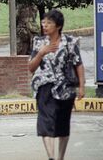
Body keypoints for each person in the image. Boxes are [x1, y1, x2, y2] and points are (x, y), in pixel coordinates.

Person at [28, 9, 85, 160]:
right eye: (43, 22)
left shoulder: (70, 43)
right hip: (44, 87)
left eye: (49, 23)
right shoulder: (39, 42)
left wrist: (82, 86)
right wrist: (41, 53)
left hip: (65, 88)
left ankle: (60, 157)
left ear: (58, 26)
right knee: (45, 122)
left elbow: (78, 64)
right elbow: (31, 68)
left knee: (62, 125)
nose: (45, 26)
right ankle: (51, 157)